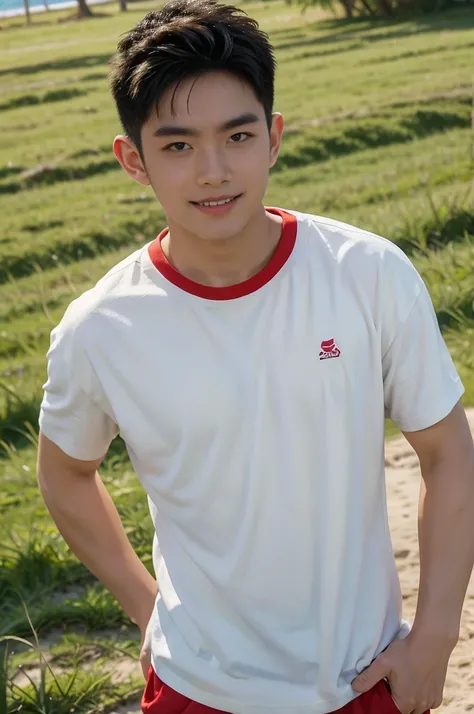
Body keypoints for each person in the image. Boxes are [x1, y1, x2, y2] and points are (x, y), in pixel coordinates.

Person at [36, 1, 474, 712]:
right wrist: (149, 608)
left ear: (272, 138)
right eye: (177, 146)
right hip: (196, 689)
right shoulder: (101, 328)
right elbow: (64, 474)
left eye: (237, 136)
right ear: (133, 161)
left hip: (363, 681)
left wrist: (434, 639)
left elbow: (449, 451)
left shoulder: (367, 273)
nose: (213, 171)